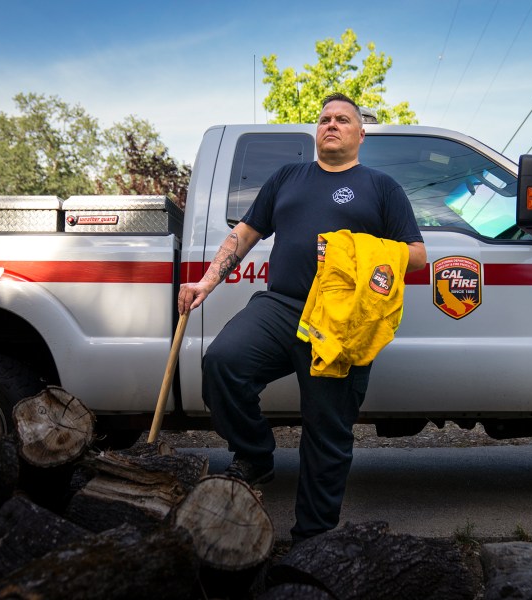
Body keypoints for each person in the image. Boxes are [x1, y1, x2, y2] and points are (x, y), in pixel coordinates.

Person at [177, 92, 427, 542]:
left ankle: (313, 538)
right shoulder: (288, 177)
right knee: (222, 363)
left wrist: (356, 249)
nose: (331, 125)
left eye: (343, 120)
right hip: (281, 305)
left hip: (339, 319)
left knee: (326, 429)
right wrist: (205, 283)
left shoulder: (380, 186)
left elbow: (417, 256)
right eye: (325, 119)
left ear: (360, 134)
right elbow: (245, 233)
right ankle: (255, 455)